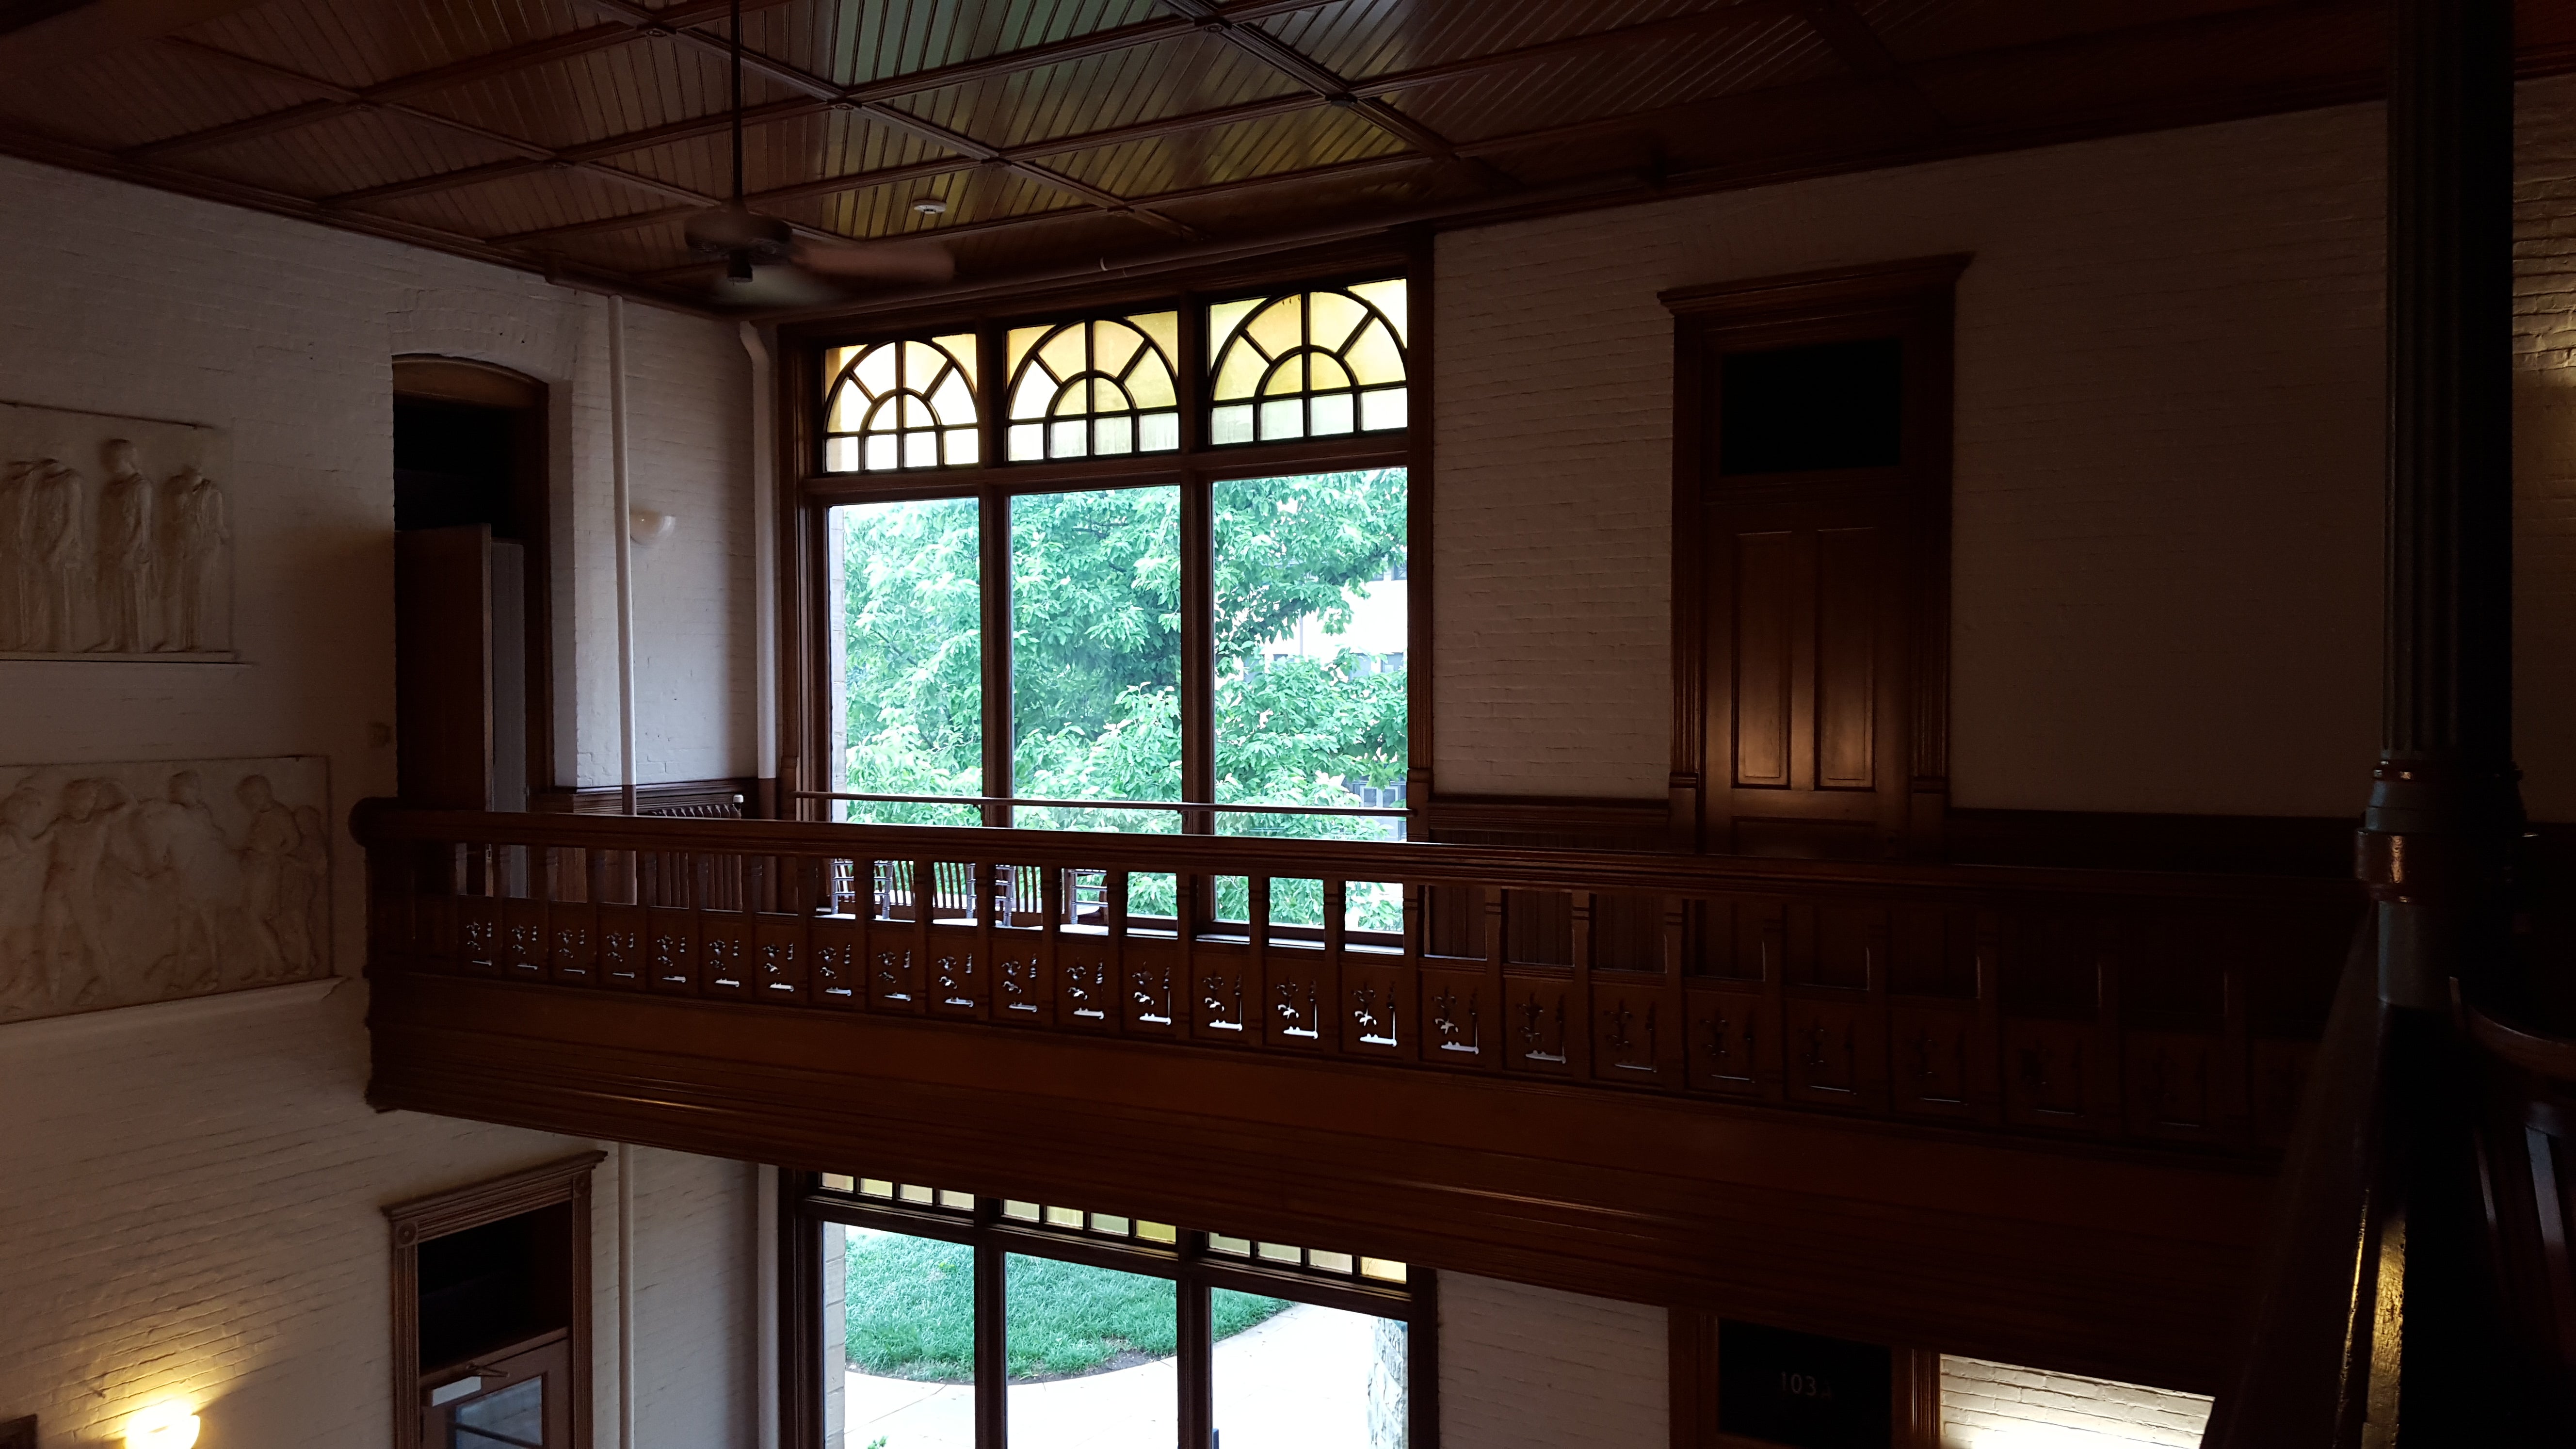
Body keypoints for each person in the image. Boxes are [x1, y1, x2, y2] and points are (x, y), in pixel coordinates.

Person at [133, 770, 239, 990]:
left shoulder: (195, 814)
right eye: (173, 791)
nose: (174, 795)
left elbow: (175, 818)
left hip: (203, 878)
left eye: (178, 790)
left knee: (208, 926)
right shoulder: (185, 814)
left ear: (191, 791)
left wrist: (152, 808)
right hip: (188, 879)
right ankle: (179, 975)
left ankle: (216, 970)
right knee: (185, 927)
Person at [94, 439, 155, 652]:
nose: (109, 463)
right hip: (111, 548)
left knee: (132, 597)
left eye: (115, 459)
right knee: (110, 596)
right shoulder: (110, 487)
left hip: (132, 551)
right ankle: (112, 639)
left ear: (127, 459)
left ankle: (135, 643)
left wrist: (129, 552)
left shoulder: (141, 486)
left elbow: (142, 524)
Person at [236, 773, 297, 979]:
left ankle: (280, 964)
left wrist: (273, 855)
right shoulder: (260, 815)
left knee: (255, 917)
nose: (249, 803)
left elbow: (294, 841)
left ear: (264, 793)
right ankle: (262, 969)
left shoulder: (280, 814)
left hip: (267, 869)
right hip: (253, 868)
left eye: (251, 797)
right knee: (251, 917)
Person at [160, 465, 226, 651]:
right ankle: (173, 639)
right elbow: (168, 521)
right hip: (180, 548)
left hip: (204, 549)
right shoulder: (174, 489)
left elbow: (218, 526)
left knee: (197, 594)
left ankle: (196, 641)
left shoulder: (213, 494)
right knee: (172, 592)